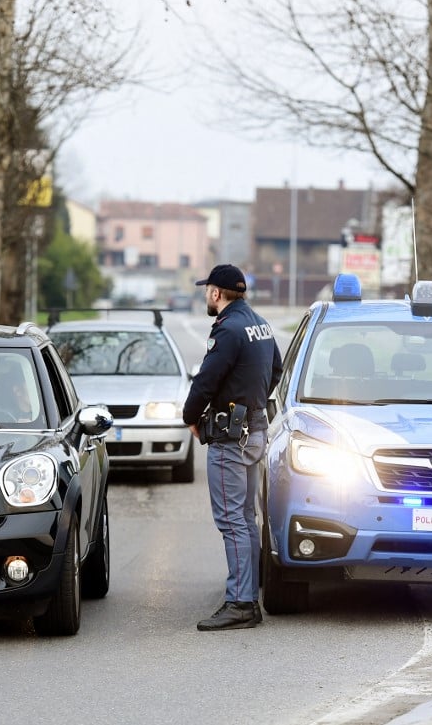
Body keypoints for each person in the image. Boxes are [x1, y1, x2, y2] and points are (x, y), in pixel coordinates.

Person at [182, 264, 283, 631]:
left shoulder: (228, 330)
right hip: (255, 430)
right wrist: (252, 400)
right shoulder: (260, 323)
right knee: (245, 517)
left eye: (207, 290)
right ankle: (249, 595)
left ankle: (241, 603)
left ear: (216, 293)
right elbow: (276, 370)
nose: (206, 295)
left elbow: (206, 381)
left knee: (231, 521)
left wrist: (190, 416)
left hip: (230, 437)